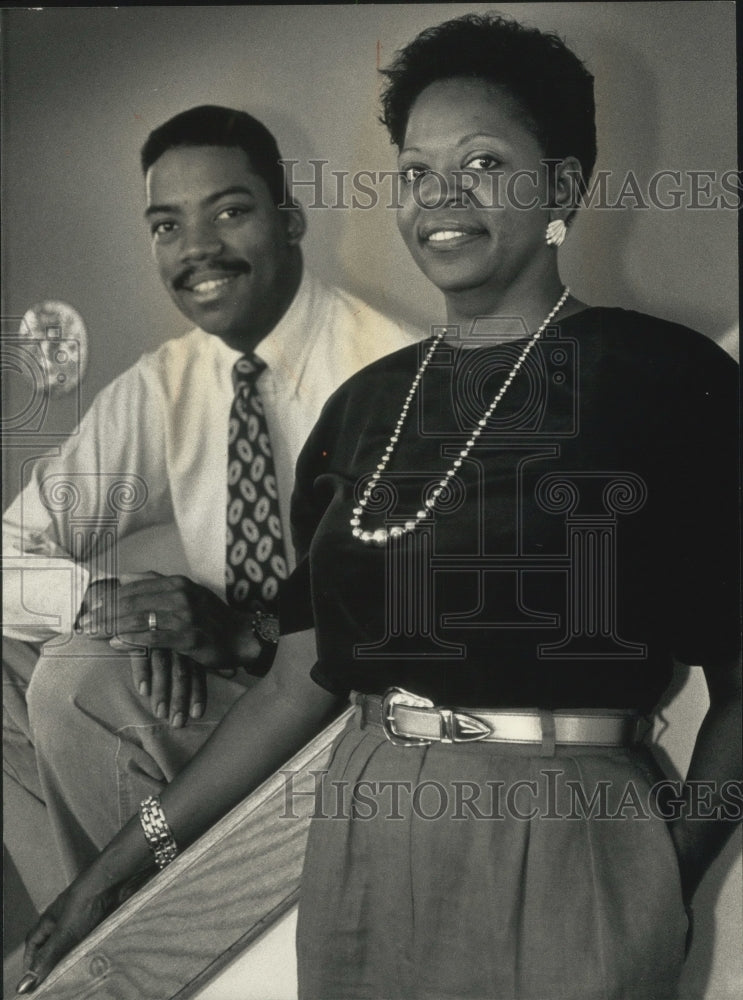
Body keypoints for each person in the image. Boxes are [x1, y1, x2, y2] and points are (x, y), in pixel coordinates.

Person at [17, 14, 740, 999]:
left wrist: (673, 861)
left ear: (562, 187)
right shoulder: (363, 408)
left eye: (482, 161)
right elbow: (292, 683)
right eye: (413, 170)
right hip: (362, 821)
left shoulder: (662, 377)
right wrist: (110, 874)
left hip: (566, 829)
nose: (439, 197)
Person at [2, 105, 418, 905]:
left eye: (229, 212)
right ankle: (91, 929)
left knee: (72, 681)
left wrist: (231, 633)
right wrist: (106, 604)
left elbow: (397, 641)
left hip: (348, 725)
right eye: (166, 226)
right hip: (217, 705)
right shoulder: (168, 384)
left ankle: (121, 920)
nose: (196, 251)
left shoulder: (387, 367)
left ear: (289, 219)